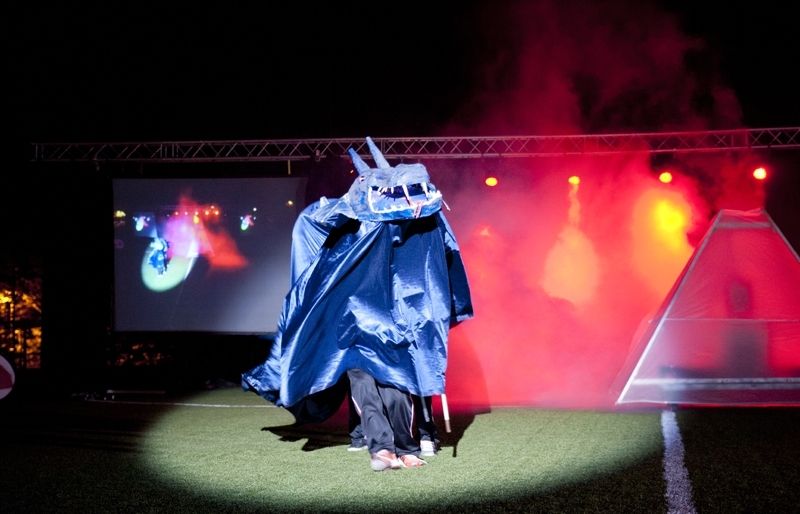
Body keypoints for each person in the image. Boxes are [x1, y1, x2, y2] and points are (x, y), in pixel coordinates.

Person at [242, 137, 473, 471]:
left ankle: (399, 446)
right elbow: (315, 228)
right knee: (378, 381)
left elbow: (433, 266)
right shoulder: (357, 215)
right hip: (362, 317)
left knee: (390, 382)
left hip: (378, 317)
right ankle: (386, 448)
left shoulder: (413, 220)